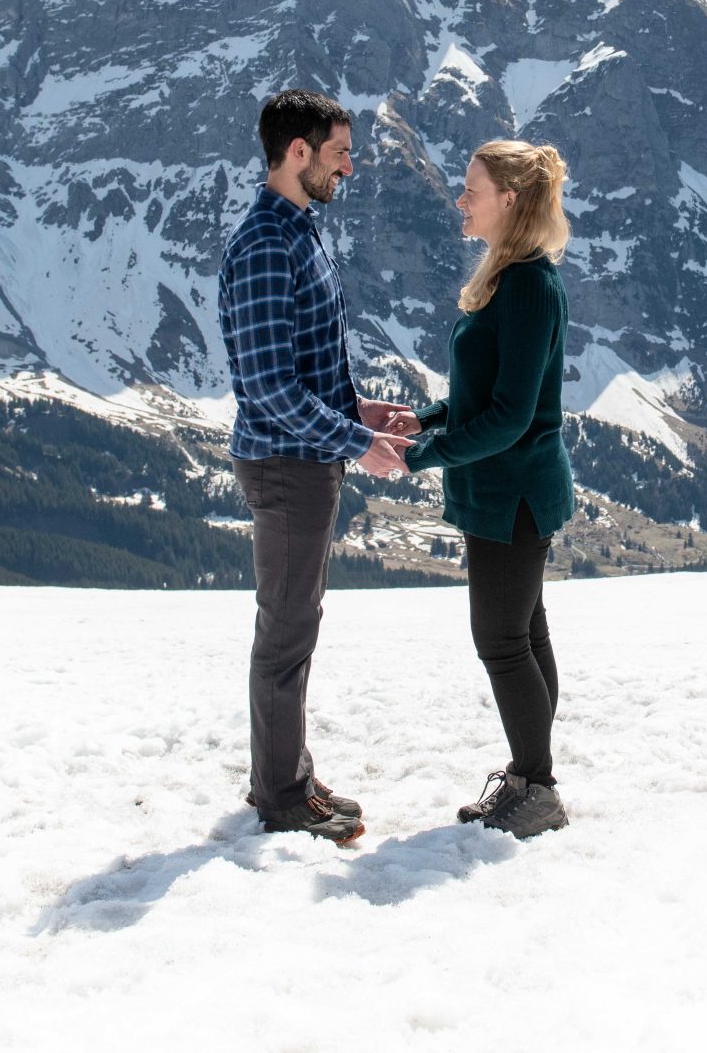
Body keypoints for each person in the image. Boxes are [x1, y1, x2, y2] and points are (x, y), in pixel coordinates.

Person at [218, 89, 417, 845]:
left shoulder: (297, 230)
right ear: (297, 152)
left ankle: (288, 773)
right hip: (287, 464)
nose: (350, 167)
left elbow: (301, 369)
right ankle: (280, 794)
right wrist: (356, 443)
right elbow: (269, 386)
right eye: (339, 153)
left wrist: (359, 412)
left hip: (303, 454)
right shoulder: (270, 243)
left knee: (295, 623)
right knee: (287, 629)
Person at [403, 139, 575, 840]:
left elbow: (512, 415)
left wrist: (423, 455)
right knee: (524, 634)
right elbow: (485, 396)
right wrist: (422, 418)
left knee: (502, 638)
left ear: (509, 198)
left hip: (514, 493)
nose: (460, 199)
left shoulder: (530, 283)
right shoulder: (509, 276)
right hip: (502, 491)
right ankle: (532, 776)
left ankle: (538, 787)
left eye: (470, 188)